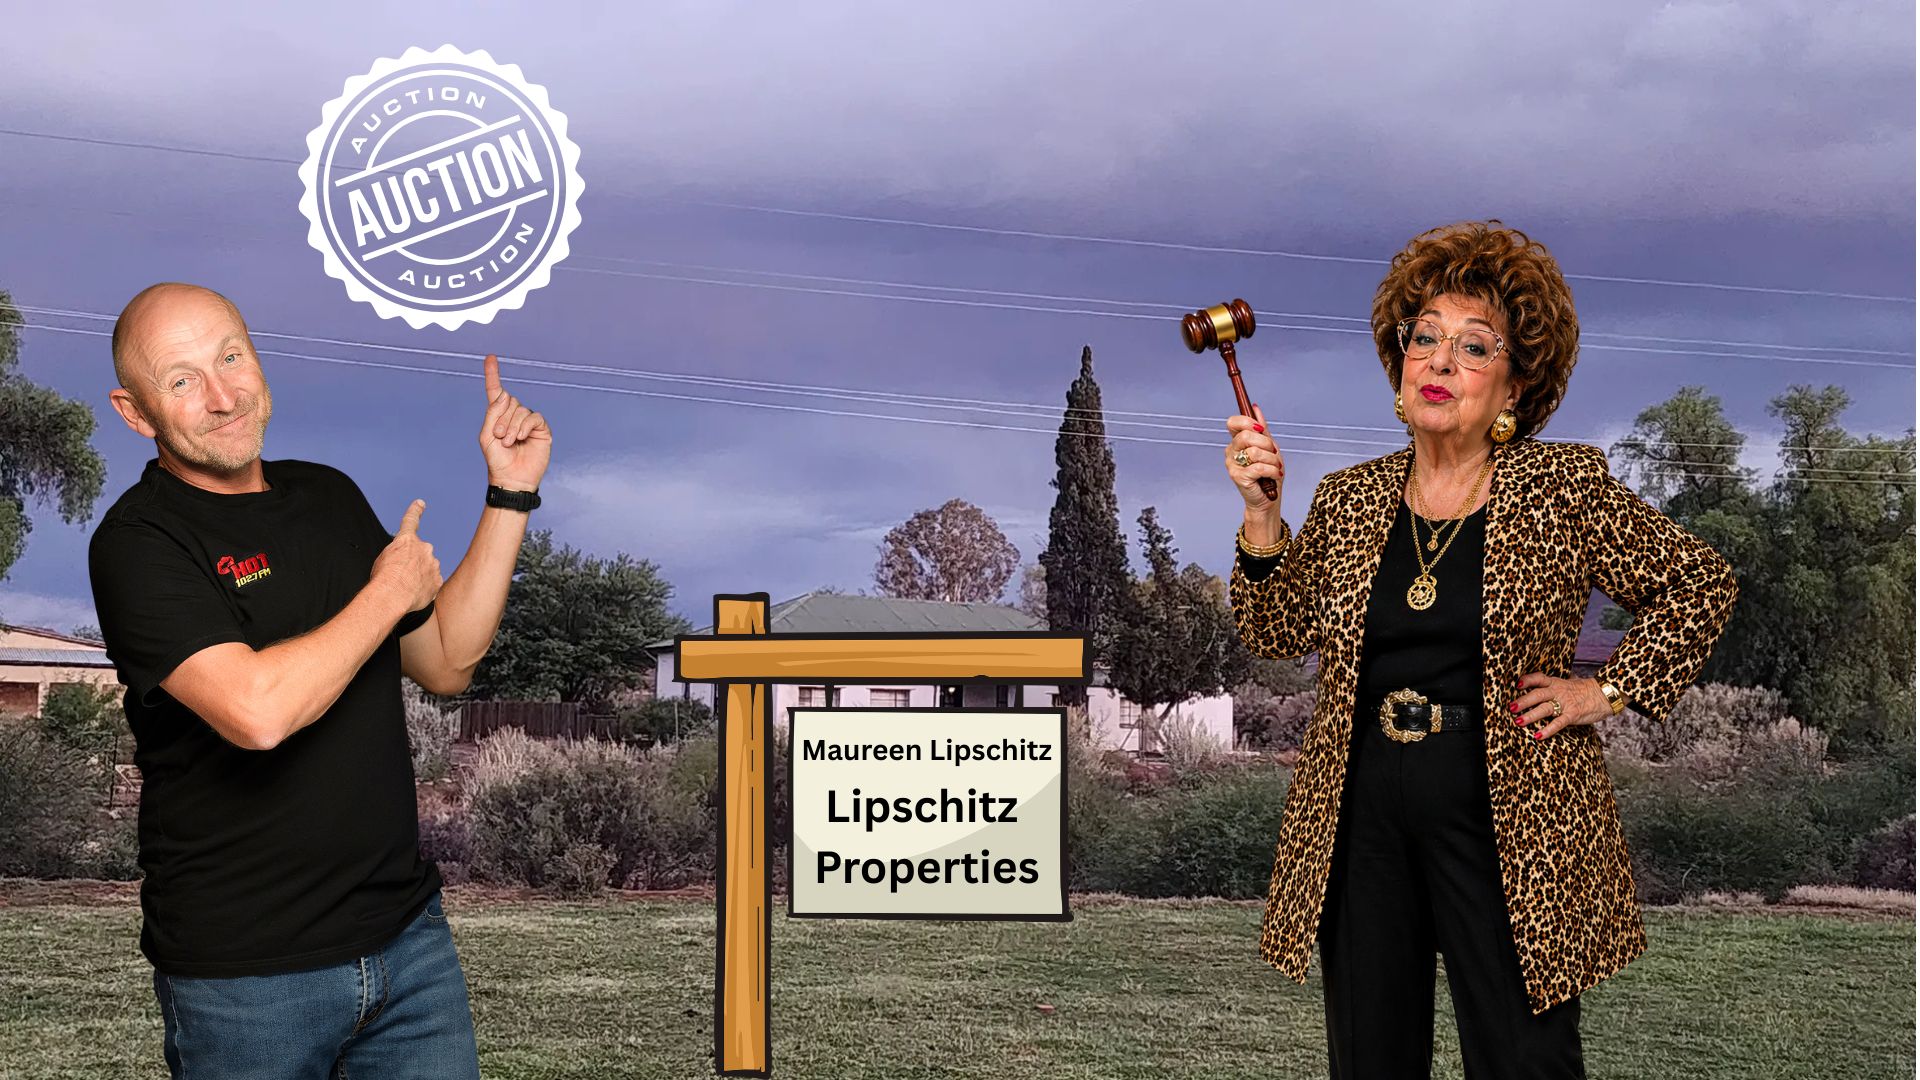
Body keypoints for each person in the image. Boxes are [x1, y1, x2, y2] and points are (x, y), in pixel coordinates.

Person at [1223, 222, 1737, 1079]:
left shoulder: (1562, 488)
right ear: (1399, 363)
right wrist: (1263, 516)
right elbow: (1276, 631)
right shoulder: (1350, 498)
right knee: (1370, 1060)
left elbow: (1701, 584)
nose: (1440, 361)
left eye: (1473, 346)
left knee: (1522, 1061)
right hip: (1361, 805)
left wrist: (1602, 692)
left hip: (1508, 802)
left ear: (1515, 383)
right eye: (1424, 338)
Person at [87, 282, 551, 1079]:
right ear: (136, 413)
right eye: (182, 379)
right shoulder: (138, 544)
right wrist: (386, 594)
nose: (223, 396)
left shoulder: (329, 497)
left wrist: (510, 493)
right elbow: (256, 711)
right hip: (247, 982)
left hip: (408, 951)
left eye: (232, 358)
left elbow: (446, 660)